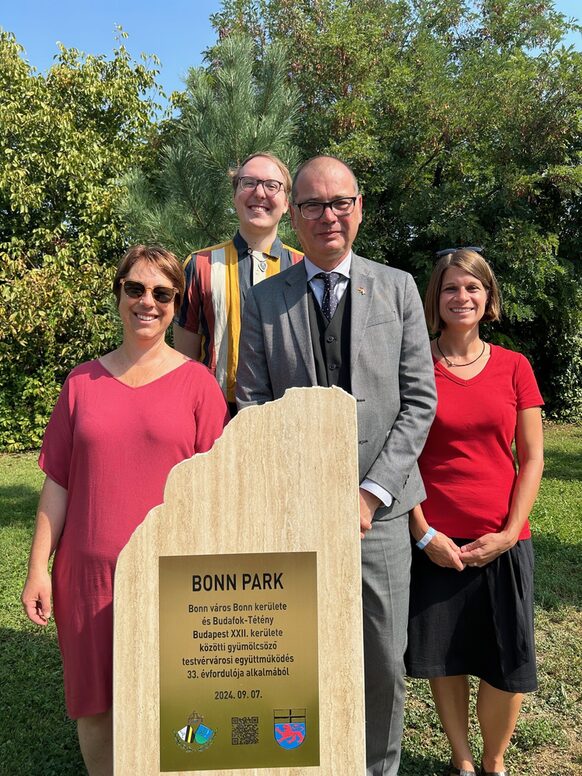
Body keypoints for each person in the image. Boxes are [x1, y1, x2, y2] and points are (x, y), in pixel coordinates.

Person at [236, 155, 437, 776]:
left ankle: (377, 767)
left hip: (378, 517)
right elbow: (252, 405)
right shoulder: (265, 300)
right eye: (314, 204)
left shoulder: (398, 287)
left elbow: (418, 402)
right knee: (300, 654)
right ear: (294, 214)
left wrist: (371, 495)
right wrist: (299, 495)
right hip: (298, 514)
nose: (329, 216)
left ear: (359, 208)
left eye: (340, 202)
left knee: (381, 658)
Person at [21, 245, 228, 776]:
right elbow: (58, 484)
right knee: (96, 710)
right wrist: (37, 569)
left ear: (176, 304)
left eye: (162, 293)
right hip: (88, 577)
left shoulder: (200, 385)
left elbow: (215, 491)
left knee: (182, 709)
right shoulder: (80, 384)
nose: (147, 302)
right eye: (135, 289)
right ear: (118, 295)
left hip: (173, 576)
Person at [406, 249, 544, 776]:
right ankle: (463, 760)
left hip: (503, 537)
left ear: (488, 298)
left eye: (472, 288)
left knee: (507, 660)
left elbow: (531, 457)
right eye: (449, 288)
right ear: (435, 300)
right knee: (446, 656)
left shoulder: (515, 367)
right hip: (436, 539)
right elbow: (403, 454)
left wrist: (510, 533)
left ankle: (493, 760)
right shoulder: (414, 364)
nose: (461, 298)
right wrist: (423, 534)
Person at [173, 152, 303, 415]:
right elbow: (184, 362)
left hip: (287, 416)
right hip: (214, 416)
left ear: (287, 202)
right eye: (249, 183)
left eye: (272, 185)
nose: (260, 193)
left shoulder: (304, 268)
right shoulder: (200, 265)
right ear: (234, 195)